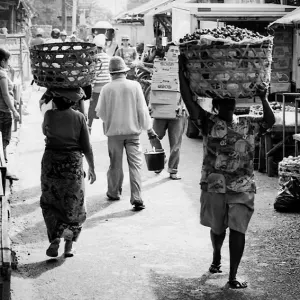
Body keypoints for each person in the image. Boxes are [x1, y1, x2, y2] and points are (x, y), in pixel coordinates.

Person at [178, 54, 275, 289]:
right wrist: (181, 71)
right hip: (215, 185)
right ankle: (216, 256)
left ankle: (232, 276)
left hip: (242, 186)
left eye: (231, 101)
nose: (229, 104)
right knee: (218, 228)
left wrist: (263, 97)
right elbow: (188, 100)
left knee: (238, 229)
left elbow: (269, 121)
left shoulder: (247, 123)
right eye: (224, 101)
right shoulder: (207, 122)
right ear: (216, 105)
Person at [40, 87, 96, 258]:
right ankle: (69, 246)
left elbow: (45, 131)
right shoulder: (79, 117)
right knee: (74, 204)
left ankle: (55, 238)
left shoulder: (49, 115)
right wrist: (92, 167)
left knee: (50, 202)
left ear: (55, 100)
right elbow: (86, 146)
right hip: (72, 164)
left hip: (51, 163)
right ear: (73, 101)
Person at [95, 56, 157, 211]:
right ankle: (136, 197)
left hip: (114, 134)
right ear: (124, 71)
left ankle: (113, 192)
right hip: (133, 134)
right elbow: (142, 110)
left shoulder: (106, 89)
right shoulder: (134, 86)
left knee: (115, 164)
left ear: (111, 73)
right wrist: (148, 128)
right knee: (135, 165)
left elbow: (100, 113)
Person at [151, 44, 186, 180]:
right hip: (160, 109)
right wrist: (151, 104)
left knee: (176, 142)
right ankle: (161, 158)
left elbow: (186, 90)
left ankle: (173, 170)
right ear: (166, 54)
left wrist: (183, 105)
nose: (175, 53)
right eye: (172, 50)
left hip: (178, 110)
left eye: (177, 51)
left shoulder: (183, 70)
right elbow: (154, 87)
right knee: (154, 136)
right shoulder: (159, 67)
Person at [0, 48, 20, 180]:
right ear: (2, 60)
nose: (9, 63)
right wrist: (14, 110)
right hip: (3, 112)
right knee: (3, 142)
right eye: (8, 60)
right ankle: (4, 170)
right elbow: (6, 94)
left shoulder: (4, 73)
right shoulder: (1, 74)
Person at [87, 34, 110, 133]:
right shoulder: (108, 57)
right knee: (106, 109)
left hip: (96, 88)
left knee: (92, 108)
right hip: (106, 88)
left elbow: (92, 76)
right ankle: (106, 129)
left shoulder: (93, 58)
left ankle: (89, 127)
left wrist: (90, 91)